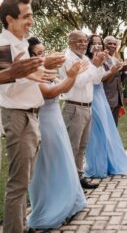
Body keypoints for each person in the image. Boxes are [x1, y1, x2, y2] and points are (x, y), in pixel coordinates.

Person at [0, 0, 58, 233]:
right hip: (17, 116)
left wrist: (44, 67)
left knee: (26, 179)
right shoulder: (4, 46)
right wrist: (30, 72)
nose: (31, 21)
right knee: (18, 183)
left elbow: (27, 77)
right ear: (9, 19)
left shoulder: (22, 44)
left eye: (31, 15)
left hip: (31, 115)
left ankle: (22, 226)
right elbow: (7, 83)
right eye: (26, 16)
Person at [26, 37, 87, 229]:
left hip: (56, 120)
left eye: (43, 52)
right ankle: (51, 206)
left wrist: (72, 75)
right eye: (36, 54)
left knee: (62, 160)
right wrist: (71, 76)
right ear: (28, 56)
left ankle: (68, 202)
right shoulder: (31, 74)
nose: (42, 57)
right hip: (44, 122)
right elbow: (50, 93)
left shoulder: (47, 71)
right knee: (48, 164)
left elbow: (64, 89)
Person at [60, 30, 107, 189]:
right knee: (72, 147)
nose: (83, 43)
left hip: (87, 107)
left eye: (84, 41)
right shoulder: (67, 60)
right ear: (70, 43)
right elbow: (78, 82)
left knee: (82, 146)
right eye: (79, 41)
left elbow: (96, 79)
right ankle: (69, 183)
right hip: (74, 107)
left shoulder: (85, 58)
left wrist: (98, 65)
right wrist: (94, 66)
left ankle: (79, 178)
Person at [84, 34, 127, 178]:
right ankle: (97, 166)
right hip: (93, 96)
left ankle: (109, 162)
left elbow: (111, 78)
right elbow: (98, 80)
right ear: (89, 45)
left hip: (102, 97)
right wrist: (112, 70)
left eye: (99, 44)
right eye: (94, 43)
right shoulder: (88, 60)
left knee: (107, 132)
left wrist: (123, 70)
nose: (97, 46)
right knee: (96, 134)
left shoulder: (104, 58)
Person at [103, 36, 127, 126]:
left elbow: (121, 80)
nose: (112, 46)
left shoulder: (117, 60)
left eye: (114, 44)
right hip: (106, 97)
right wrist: (116, 69)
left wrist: (126, 70)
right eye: (109, 43)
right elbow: (102, 78)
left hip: (117, 99)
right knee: (106, 126)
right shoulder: (101, 59)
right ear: (104, 45)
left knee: (114, 126)